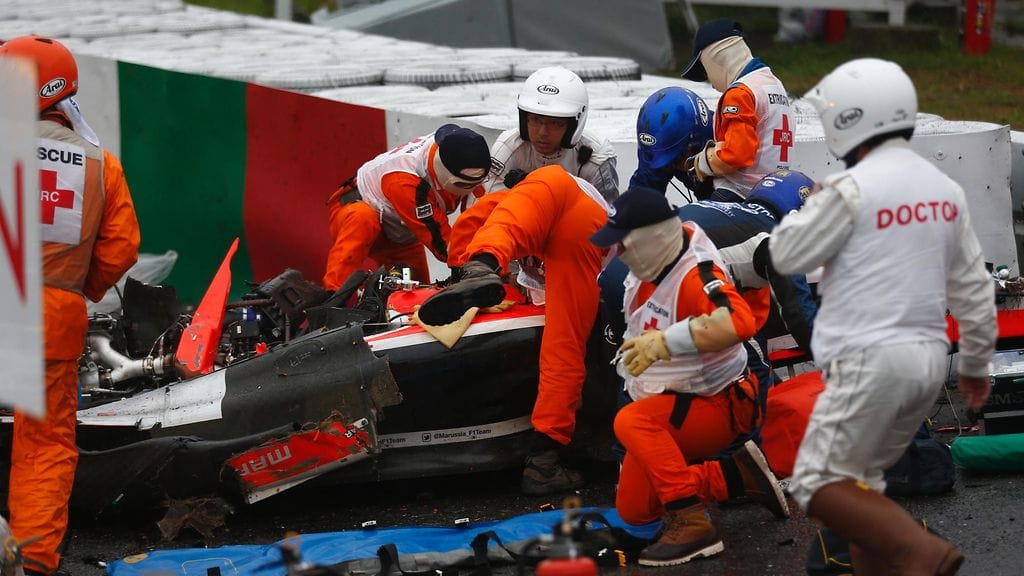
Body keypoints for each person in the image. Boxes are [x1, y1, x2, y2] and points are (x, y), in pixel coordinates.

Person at [770, 58, 997, 575]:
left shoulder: (851, 190)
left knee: (816, 482)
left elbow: (787, 256)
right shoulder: (944, 190)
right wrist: (976, 367)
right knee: (861, 485)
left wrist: (808, 206)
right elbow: (973, 289)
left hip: (868, 362)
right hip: (926, 364)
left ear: (848, 120)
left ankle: (924, 552)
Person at [0, 36, 141, 576]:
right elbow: (121, 248)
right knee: (42, 447)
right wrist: (78, 287)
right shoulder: (99, 164)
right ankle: (31, 561)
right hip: (49, 321)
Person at [590, 186, 785, 566]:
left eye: (624, 244)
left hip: (718, 403)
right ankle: (733, 475)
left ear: (649, 239)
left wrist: (666, 342)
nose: (619, 253)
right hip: (674, 402)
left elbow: (739, 321)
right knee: (632, 510)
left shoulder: (696, 273)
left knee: (629, 423)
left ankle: (694, 525)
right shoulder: (650, 268)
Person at [417, 164, 609, 495]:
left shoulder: (532, 199)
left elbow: (483, 222)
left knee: (564, 347)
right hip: (555, 213)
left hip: (574, 226)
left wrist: (465, 269)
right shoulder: (530, 197)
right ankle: (543, 460)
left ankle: (478, 267)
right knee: (563, 346)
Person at [322, 124, 491, 291]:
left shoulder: (461, 147)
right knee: (362, 217)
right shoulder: (405, 182)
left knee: (418, 295)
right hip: (356, 213)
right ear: (449, 177)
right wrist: (485, 264)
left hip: (402, 230)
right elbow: (443, 246)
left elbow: (481, 214)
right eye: (467, 185)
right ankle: (333, 297)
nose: (474, 189)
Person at [680, 18, 795, 202]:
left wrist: (700, 163)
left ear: (714, 60)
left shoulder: (740, 93)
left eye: (705, 72)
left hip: (741, 193)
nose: (710, 82)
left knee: (686, 224)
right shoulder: (773, 83)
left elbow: (736, 155)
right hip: (777, 190)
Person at [486, 66, 619, 201]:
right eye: (536, 120)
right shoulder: (508, 148)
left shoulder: (596, 158)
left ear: (574, 124)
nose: (542, 132)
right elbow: (482, 210)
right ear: (524, 119)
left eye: (555, 123)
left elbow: (607, 217)